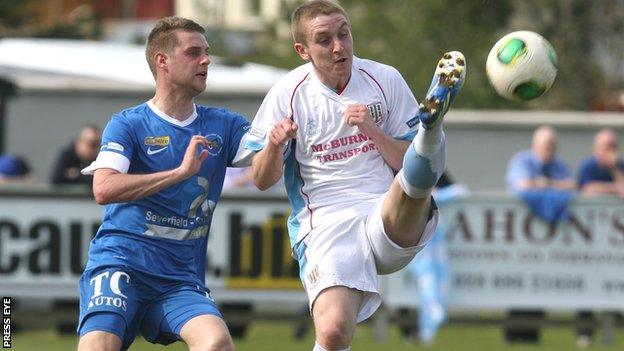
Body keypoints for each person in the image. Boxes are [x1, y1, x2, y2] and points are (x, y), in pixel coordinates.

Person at [244, 1, 466, 350]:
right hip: (325, 225)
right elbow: (261, 179)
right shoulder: (288, 94)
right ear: (302, 50)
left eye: (344, 34)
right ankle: (430, 134)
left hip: (385, 215)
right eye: (324, 39)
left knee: (415, 180)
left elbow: (400, 160)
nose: (338, 46)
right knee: (332, 332)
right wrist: (274, 144)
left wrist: (372, 130)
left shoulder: (384, 78)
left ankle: (430, 130)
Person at [76, 17, 253, 351]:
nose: (206, 60)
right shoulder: (128, 123)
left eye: (207, 52)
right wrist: (179, 173)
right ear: (162, 61)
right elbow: (104, 188)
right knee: (98, 346)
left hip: (178, 278)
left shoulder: (225, 125)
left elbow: (269, 160)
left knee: (217, 343)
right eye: (193, 52)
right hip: (120, 264)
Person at [506, 125, 575, 193]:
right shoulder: (521, 161)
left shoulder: (559, 163)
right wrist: (555, 185)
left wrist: (547, 183)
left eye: (552, 146)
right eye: (546, 146)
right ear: (535, 146)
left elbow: (572, 186)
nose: (550, 150)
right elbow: (522, 185)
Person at [578, 128, 624, 197]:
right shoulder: (588, 165)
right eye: (604, 147)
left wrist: (614, 168)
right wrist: (615, 188)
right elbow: (587, 187)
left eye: (611, 147)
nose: (607, 152)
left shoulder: (620, 165)